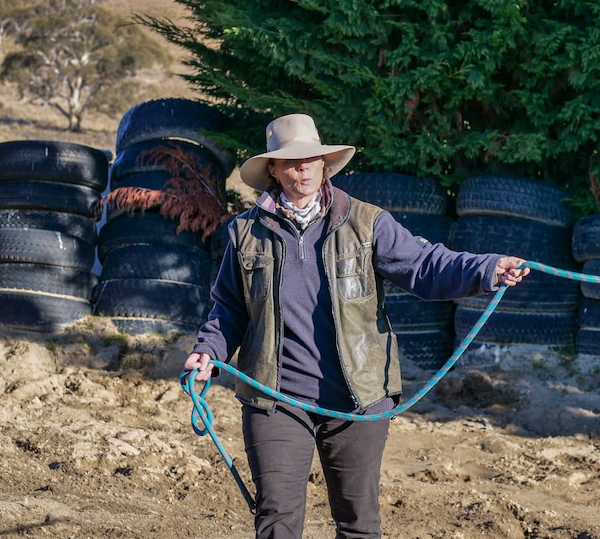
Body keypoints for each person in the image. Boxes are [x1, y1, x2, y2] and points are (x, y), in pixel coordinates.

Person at [183, 113, 529, 539]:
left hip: (359, 397)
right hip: (274, 397)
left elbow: (425, 266)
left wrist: (488, 268)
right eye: (290, 161)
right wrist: (208, 352)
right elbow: (229, 310)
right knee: (275, 519)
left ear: (324, 163)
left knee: (358, 524)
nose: (302, 168)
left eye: (311, 158)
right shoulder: (245, 233)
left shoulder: (366, 223)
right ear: (272, 169)